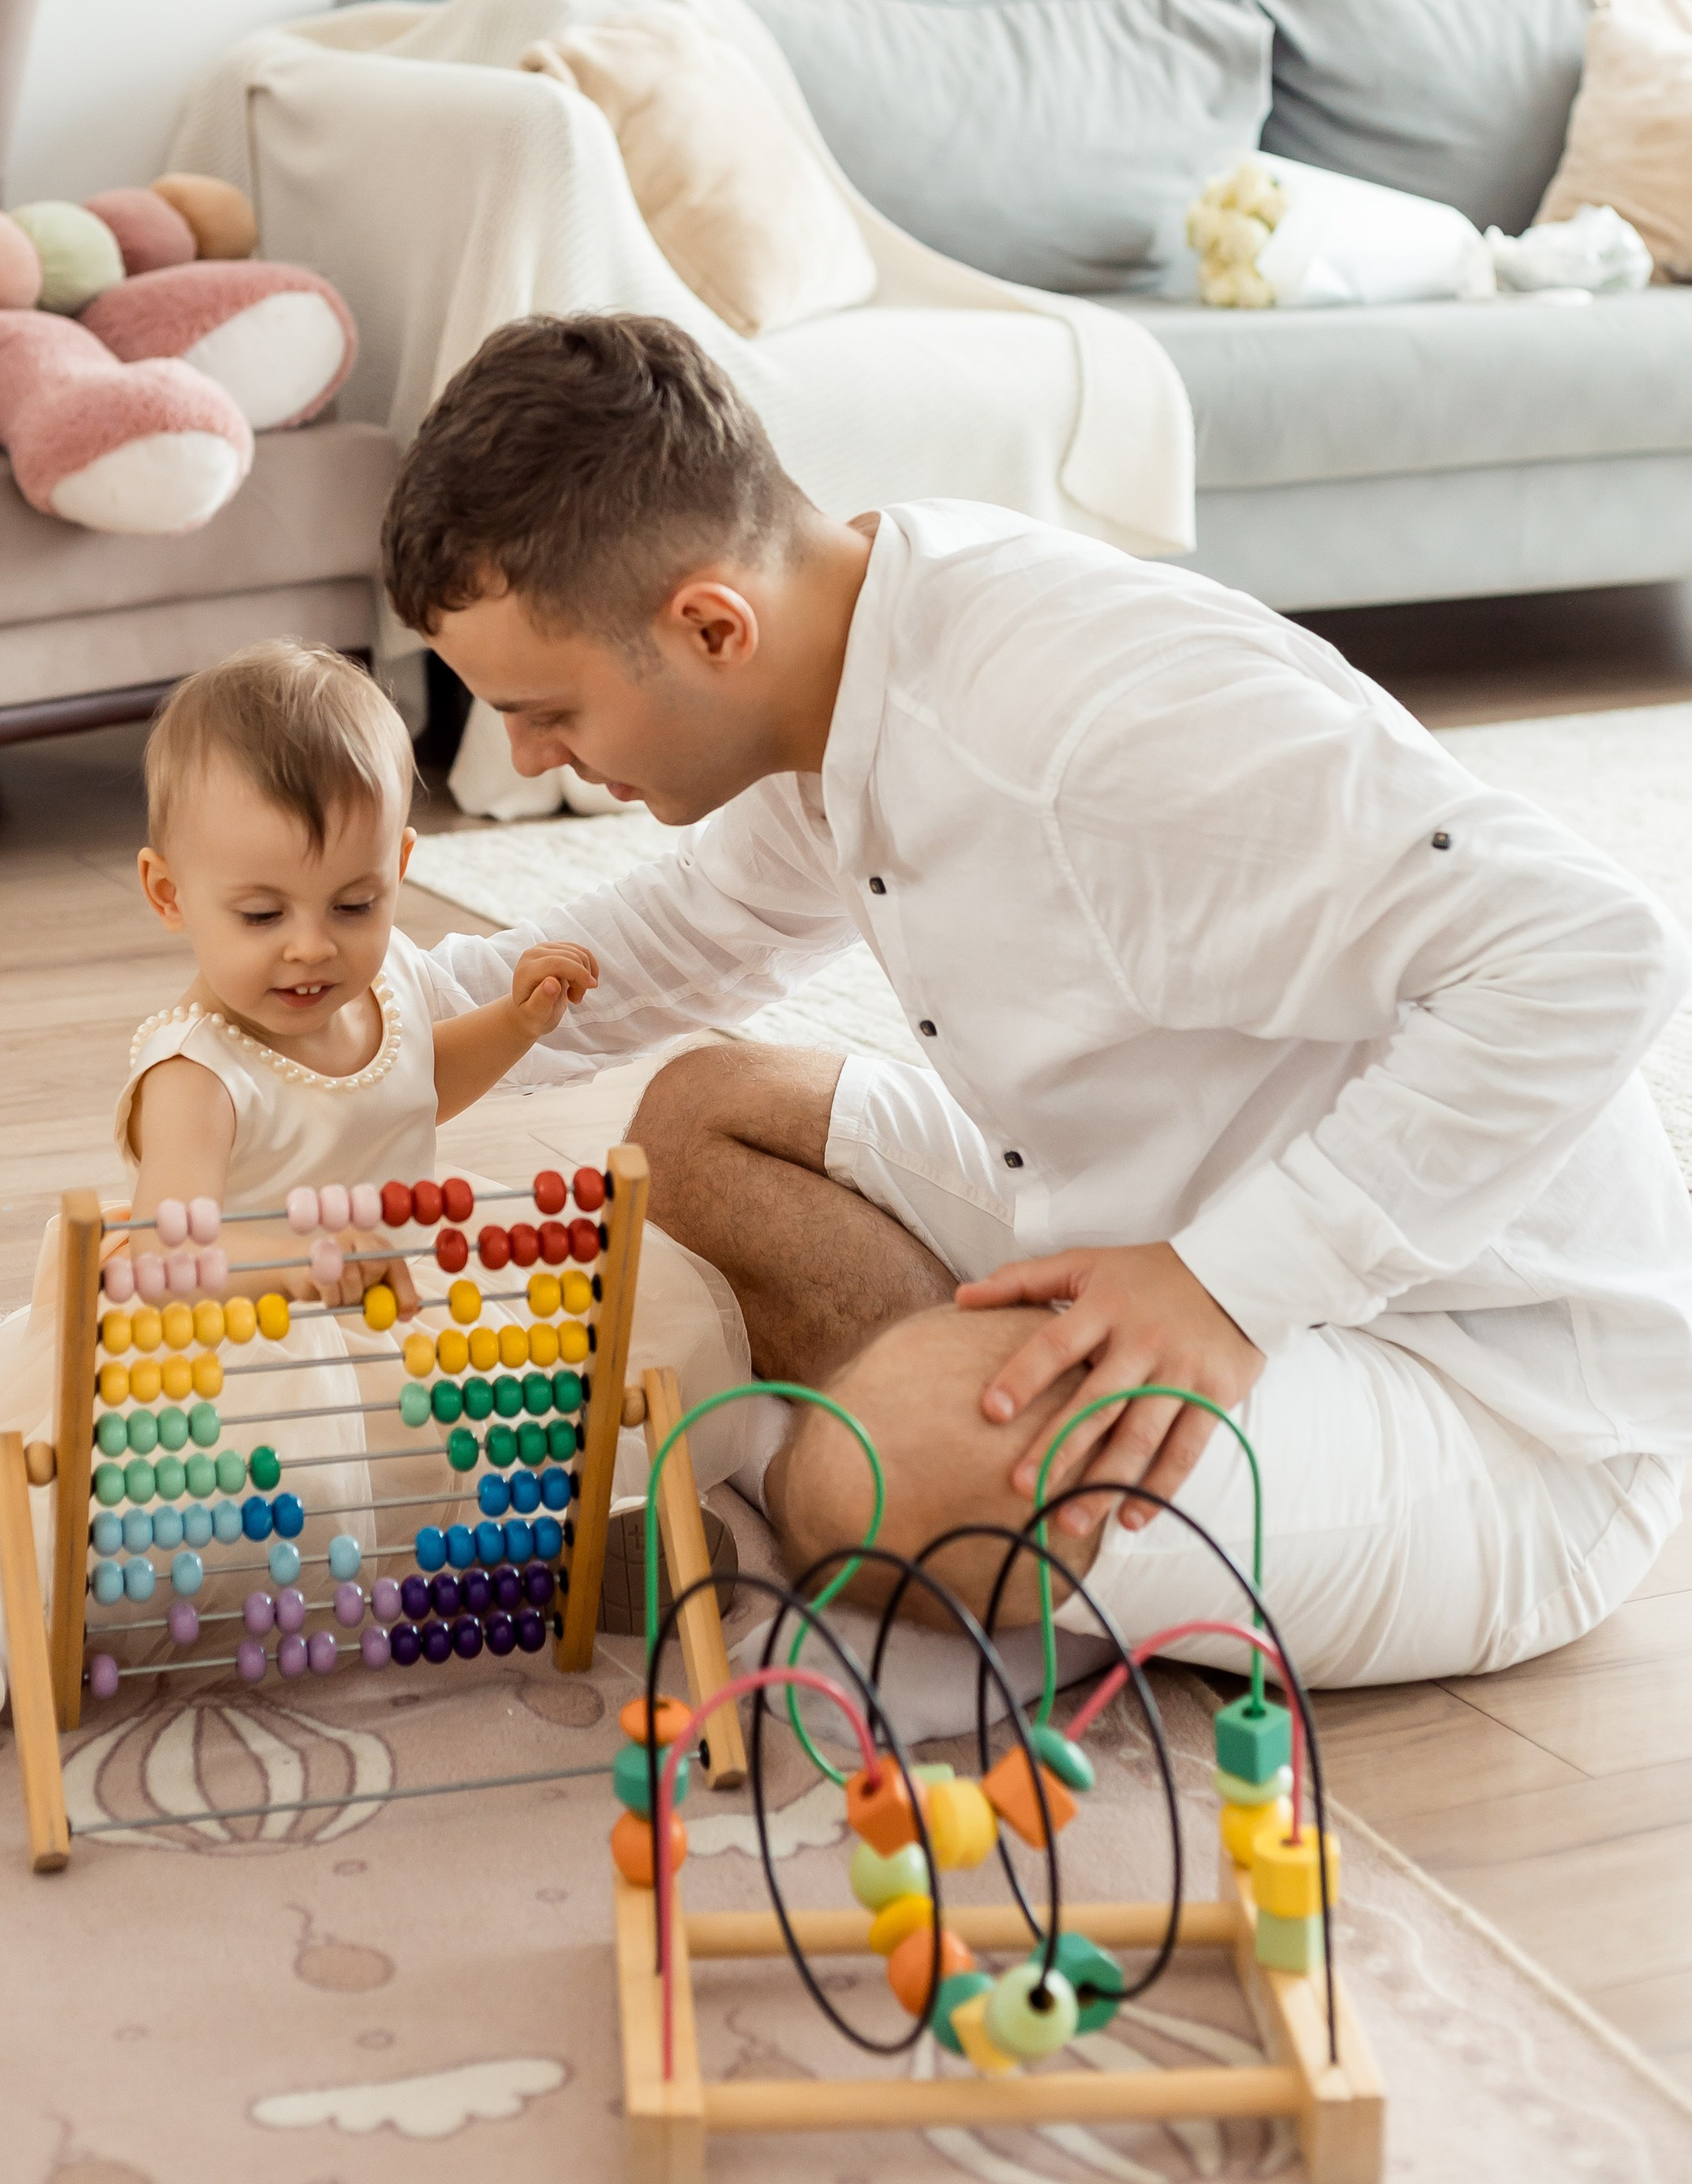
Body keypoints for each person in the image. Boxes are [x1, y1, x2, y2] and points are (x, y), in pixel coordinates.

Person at [386, 312, 1692, 1687]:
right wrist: (348, 1036)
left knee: (887, 1467)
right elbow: (676, 938)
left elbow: (1590, 948)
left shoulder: (1094, 733)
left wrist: (1228, 1288)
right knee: (705, 1118)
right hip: (1150, 1231)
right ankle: (926, 1484)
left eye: (547, 710)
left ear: (712, 623)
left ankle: (853, 1501)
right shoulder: (853, 649)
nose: (531, 753)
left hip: (1491, 1402)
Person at [0, 640, 593, 1777]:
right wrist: (299, 1270)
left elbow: (415, 1085)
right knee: (137, 1527)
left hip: (380, 1321)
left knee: (515, 1414)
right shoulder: (197, 1075)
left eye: (353, 902)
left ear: (400, 864)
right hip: (221, 1342)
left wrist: (517, 1025)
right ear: (167, 894)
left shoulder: (382, 991)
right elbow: (166, 1251)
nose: (310, 946)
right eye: (259, 913)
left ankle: (570, 1549)